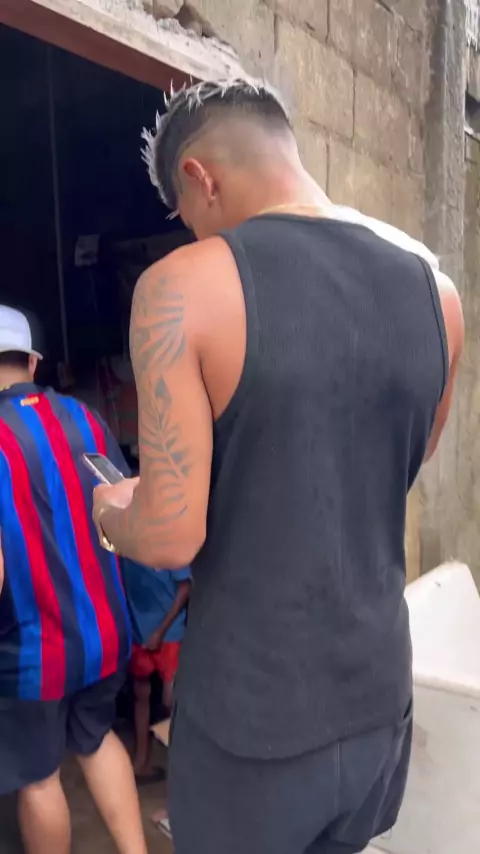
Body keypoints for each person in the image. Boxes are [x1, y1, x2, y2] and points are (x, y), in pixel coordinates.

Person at [93, 79, 464, 854]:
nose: (196, 233)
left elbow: (170, 534)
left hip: (253, 725)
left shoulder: (180, 289)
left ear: (199, 176)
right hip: (377, 703)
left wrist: (114, 512)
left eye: (185, 214)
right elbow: (404, 456)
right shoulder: (437, 294)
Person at [0, 306, 147, 854]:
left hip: (31, 649)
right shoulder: (84, 417)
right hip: (104, 631)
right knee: (95, 738)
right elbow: (127, 505)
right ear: (33, 362)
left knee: (39, 777)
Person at [124, 559, 191, 779]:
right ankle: (141, 761)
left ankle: (181, 772)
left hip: (169, 632)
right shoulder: (123, 547)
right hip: (139, 631)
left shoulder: (166, 544)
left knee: (170, 702)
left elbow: (185, 587)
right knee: (140, 695)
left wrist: (160, 631)